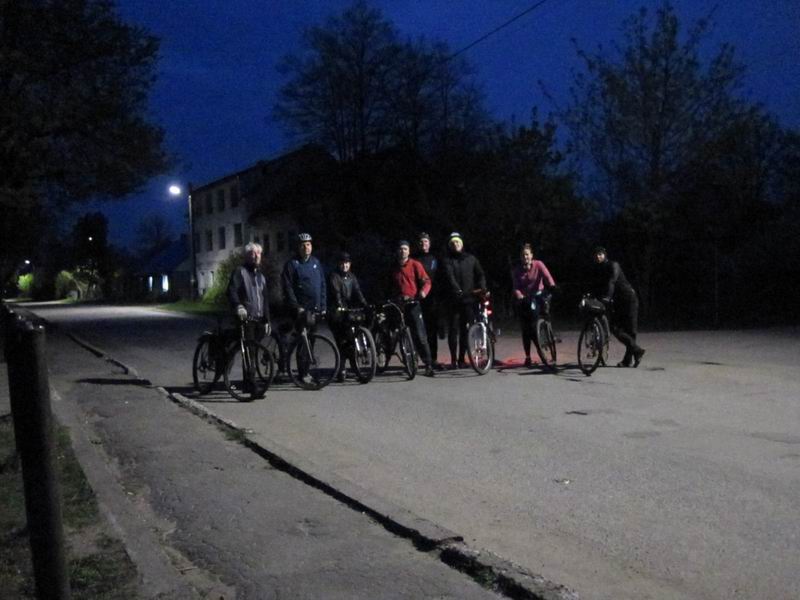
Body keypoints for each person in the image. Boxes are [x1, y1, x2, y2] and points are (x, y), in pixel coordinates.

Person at [591, 246, 645, 367]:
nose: (598, 257)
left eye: (600, 254)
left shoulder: (613, 265)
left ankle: (628, 360)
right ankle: (637, 351)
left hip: (629, 298)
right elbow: (598, 285)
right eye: (596, 255)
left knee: (631, 330)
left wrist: (607, 297)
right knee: (615, 328)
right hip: (618, 301)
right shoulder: (599, 269)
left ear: (605, 255)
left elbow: (612, 281)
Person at [390, 240, 435, 377]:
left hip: (414, 304)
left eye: (405, 249)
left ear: (409, 251)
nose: (403, 251)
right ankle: (410, 362)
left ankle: (428, 365)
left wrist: (422, 292)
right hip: (399, 306)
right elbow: (388, 286)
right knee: (402, 335)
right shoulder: (393, 268)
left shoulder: (415, 264)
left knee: (420, 336)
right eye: (400, 249)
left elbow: (427, 281)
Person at [441, 232, 486, 369]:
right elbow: (449, 276)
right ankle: (454, 360)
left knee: (466, 330)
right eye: (453, 243)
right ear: (450, 246)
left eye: (458, 242)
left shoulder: (471, 259)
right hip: (454, 301)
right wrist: (456, 290)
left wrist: (482, 287)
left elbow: (480, 274)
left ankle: (462, 359)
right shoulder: (447, 260)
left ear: (462, 243)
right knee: (453, 330)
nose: (456, 245)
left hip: (469, 300)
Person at [512, 243, 556, 367]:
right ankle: (528, 356)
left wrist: (552, 286)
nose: (525, 257)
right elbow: (516, 287)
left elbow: (547, 276)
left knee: (534, 319)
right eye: (523, 255)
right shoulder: (517, 270)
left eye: (527, 254)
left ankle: (544, 340)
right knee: (525, 328)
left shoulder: (538, 264)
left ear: (531, 255)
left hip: (538, 295)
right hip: (525, 298)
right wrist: (519, 295)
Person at [328, 251, 367, 381]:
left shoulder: (352, 277)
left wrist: (365, 304)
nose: (345, 265)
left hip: (347, 311)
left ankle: (353, 368)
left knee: (350, 340)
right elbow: (336, 293)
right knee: (342, 341)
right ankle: (343, 369)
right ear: (339, 264)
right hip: (336, 312)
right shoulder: (334, 276)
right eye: (342, 263)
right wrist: (340, 306)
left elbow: (357, 291)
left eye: (347, 263)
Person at [227, 241, 271, 339]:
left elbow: (265, 300)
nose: (256, 256)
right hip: (246, 319)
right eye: (253, 253)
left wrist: (267, 320)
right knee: (249, 349)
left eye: (259, 253)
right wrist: (238, 306)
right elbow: (232, 290)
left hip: (259, 320)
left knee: (257, 348)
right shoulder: (240, 271)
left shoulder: (261, 276)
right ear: (247, 256)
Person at [281, 232, 326, 321]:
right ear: (298, 247)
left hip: (315, 310)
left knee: (315, 333)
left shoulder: (316, 262)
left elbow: (322, 284)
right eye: (303, 245)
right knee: (301, 333)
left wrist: (323, 306)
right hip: (301, 311)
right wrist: (296, 306)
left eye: (308, 244)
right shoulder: (292, 264)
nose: (306, 248)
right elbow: (287, 287)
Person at [414, 232, 442, 369]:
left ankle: (433, 358)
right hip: (416, 297)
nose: (423, 244)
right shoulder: (413, 259)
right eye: (421, 242)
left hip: (432, 298)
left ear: (429, 243)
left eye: (425, 241)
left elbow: (440, 277)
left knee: (432, 330)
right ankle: (417, 358)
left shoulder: (435, 259)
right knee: (417, 330)